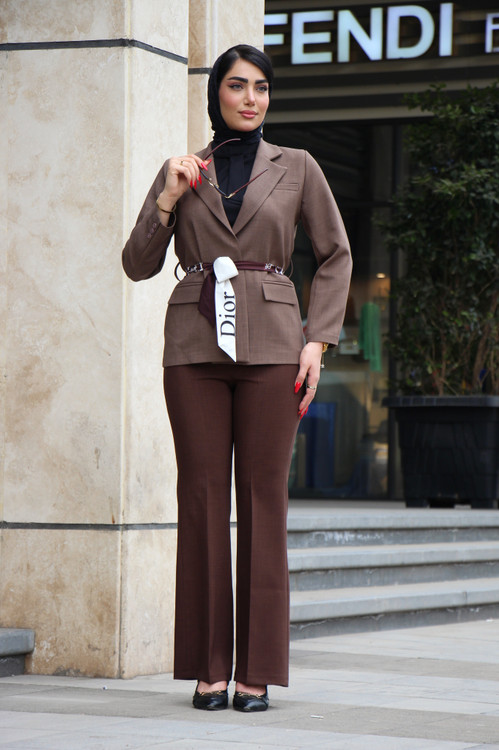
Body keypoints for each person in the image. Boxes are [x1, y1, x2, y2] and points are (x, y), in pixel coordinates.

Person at [122, 44, 352, 713]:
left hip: (276, 346)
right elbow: (137, 263)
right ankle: (208, 667)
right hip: (193, 345)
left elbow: (335, 254)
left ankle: (256, 670)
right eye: (237, 86)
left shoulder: (298, 166)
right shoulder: (182, 170)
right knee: (199, 499)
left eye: (261, 88)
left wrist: (318, 342)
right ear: (215, 93)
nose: (251, 98)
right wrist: (167, 199)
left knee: (262, 501)